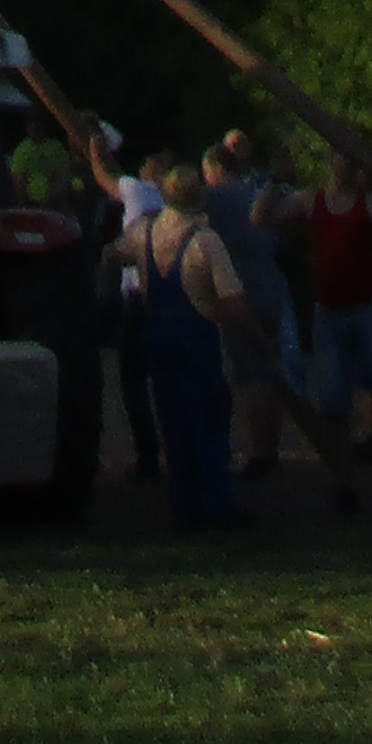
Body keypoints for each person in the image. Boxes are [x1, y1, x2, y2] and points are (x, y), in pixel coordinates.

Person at [136, 160, 254, 533]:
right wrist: (259, 337)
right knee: (209, 423)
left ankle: (183, 509)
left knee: (172, 425)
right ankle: (217, 508)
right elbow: (233, 300)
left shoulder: (146, 232)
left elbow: (113, 252)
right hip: (195, 340)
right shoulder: (205, 241)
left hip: (157, 336)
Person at [302, 152, 372, 509]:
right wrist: (273, 179)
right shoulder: (312, 200)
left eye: (351, 162)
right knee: (334, 401)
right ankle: (344, 484)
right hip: (330, 310)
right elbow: (261, 216)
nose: (345, 167)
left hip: (370, 307)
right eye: (339, 160)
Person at [202, 131, 299, 481]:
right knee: (269, 373)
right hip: (272, 290)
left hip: (242, 295)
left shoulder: (215, 198)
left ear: (214, 168)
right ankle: (271, 447)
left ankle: (259, 452)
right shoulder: (257, 193)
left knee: (249, 377)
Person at [84, 122, 161, 478]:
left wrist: (94, 148)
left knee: (132, 380)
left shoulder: (136, 189)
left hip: (136, 298)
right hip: (173, 297)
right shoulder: (178, 201)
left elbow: (104, 177)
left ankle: (147, 457)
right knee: (167, 379)